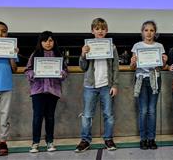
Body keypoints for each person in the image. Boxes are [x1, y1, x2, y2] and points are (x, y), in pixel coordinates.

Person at [75, 18, 119, 153]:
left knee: (109, 115)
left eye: (103, 28)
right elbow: (82, 67)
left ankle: (108, 139)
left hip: (107, 85)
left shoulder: (112, 47)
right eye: (97, 28)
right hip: (90, 86)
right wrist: (83, 54)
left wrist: (115, 85)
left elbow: (115, 67)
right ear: (92, 31)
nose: (100, 31)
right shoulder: (88, 46)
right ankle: (85, 140)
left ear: (106, 30)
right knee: (87, 115)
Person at [25, 31, 68, 153]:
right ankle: (35, 143)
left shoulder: (58, 55)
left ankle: (50, 142)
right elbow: (27, 70)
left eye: (50, 40)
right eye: (45, 41)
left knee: (50, 117)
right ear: (40, 42)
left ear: (54, 42)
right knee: (37, 117)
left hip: (53, 91)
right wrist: (33, 74)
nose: (48, 43)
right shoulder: (35, 55)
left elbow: (65, 70)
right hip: (38, 91)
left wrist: (62, 74)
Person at [130, 20, 167, 150]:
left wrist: (164, 61)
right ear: (142, 32)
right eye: (146, 30)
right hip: (141, 79)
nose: (149, 33)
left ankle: (151, 139)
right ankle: (143, 139)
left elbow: (162, 66)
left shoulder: (159, 46)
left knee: (152, 111)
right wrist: (133, 62)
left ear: (155, 32)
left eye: (151, 30)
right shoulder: (137, 46)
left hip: (155, 79)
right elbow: (132, 66)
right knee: (143, 111)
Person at [0, 21, 18, 156]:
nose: (0, 34)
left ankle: (2, 142)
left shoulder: (10, 47)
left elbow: (14, 69)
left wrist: (12, 55)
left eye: (4, 31)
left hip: (5, 86)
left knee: (5, 116)